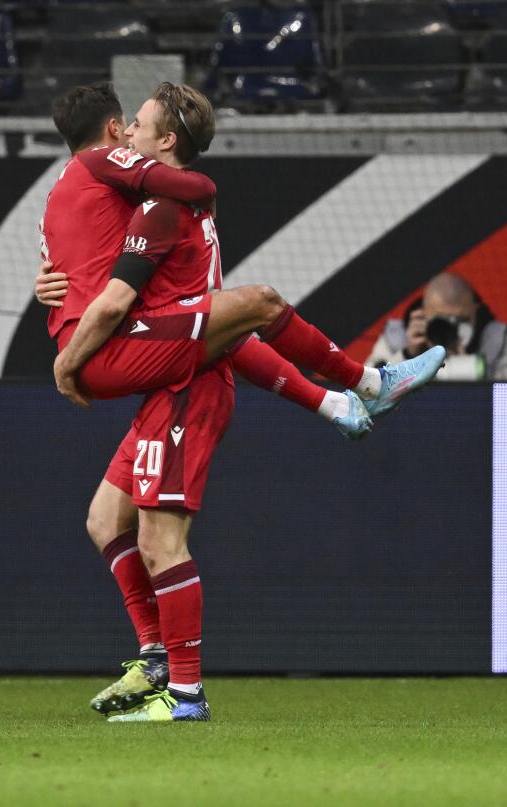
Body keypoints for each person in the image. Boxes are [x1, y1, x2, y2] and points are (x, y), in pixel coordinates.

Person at [40, 82, 446, 722]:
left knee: (160, 539)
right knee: (104, 520)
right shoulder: (152, 202)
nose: (130, 135)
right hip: (172, 374)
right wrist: (62, 288)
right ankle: (156, 659)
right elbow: (185, 313)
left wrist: (68, 355)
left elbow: (172, 310)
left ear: (163, 141)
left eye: (141, 125)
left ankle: (186, 692)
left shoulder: (158, 205)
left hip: (185, 387)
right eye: (128, 125)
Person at [366, 272, 507, 381]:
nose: (453, 330)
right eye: (441, 320)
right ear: (422, 313)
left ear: (476, 311)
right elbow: (367, 394)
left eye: (463, 320)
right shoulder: (397, 339)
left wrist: (470, 368)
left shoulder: (503, 341)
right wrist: (408, 356)